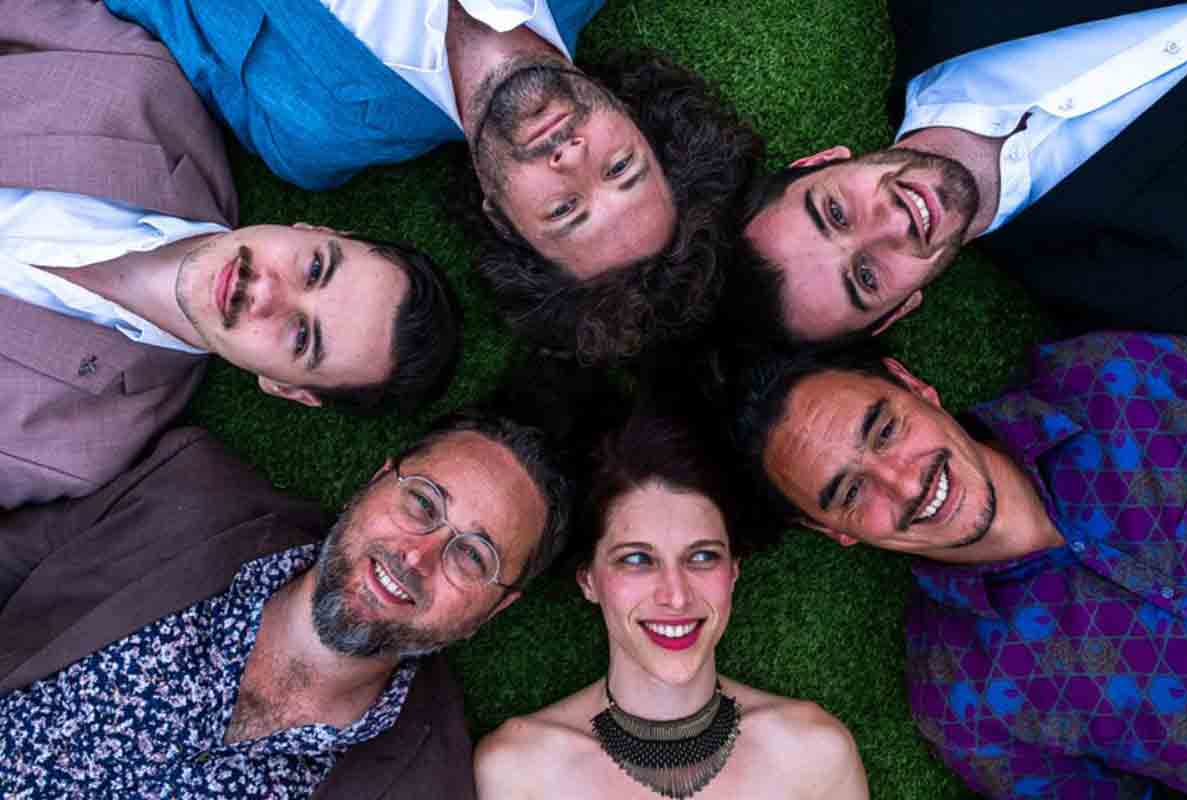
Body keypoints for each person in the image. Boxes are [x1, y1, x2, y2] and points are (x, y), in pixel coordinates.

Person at [100, 0, 762, 361]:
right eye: (620, 168)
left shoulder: (310, 133)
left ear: (500, 216)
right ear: (638, 122)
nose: (571, 159)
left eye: (565, 209)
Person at [0, 0, 460, 509]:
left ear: (286, 388)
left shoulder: (69, 445)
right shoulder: (138, 87)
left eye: (302, 336)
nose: (265, 291)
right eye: (314, 268)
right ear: (313, 230)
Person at [0, 407, 570, 798]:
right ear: (376, 482)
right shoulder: (187, 493)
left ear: (496, 609)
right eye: (423, 503)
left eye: (472, 557)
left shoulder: (423, 786)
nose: (417, 556)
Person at [735, 333, 1187, 796]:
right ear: (833, 530)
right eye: (852, 492)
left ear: (912, 385)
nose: (905, 483)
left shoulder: (1112, 379)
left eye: (885, 431)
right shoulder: (965, 701)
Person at [737, 1, 1187, 345]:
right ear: (900, 309)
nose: (893, 222)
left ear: (818, 161)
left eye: (836, 213)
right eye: (866, 277)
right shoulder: (1144, 287)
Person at [475, 415, 868, 799]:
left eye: (702, 557)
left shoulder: (814, 754)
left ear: (733, 570)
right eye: (636, 560)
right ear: (588, 580)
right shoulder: (520, 771)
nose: (677, 596)